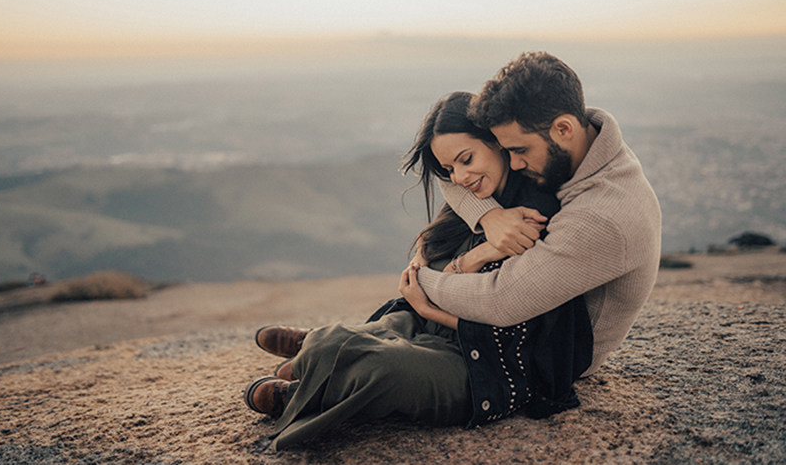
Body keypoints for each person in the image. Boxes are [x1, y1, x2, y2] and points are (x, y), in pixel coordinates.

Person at [243, 91, 593, 450]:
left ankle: (304, 387)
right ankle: (321, 350)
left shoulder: (532, 218)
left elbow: (512, 328)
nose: (460, 177)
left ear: (498, 142)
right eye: (450, 168)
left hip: (484, 365)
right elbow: (431, 249)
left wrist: (430, 303)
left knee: (380, 367)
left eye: (466, 159)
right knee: (348, 337)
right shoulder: (480, 200)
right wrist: (460, 258)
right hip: (431, 326)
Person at [411, 51, 662, 377]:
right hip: (508, 331)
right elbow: (453, 176)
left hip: (547, 358)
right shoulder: (580, 141)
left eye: (519, 151)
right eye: (507, 150)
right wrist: (488, 216)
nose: (514, 164)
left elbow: (501, 300)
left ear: (563, 129)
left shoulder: (602, 216)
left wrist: (421, 280)